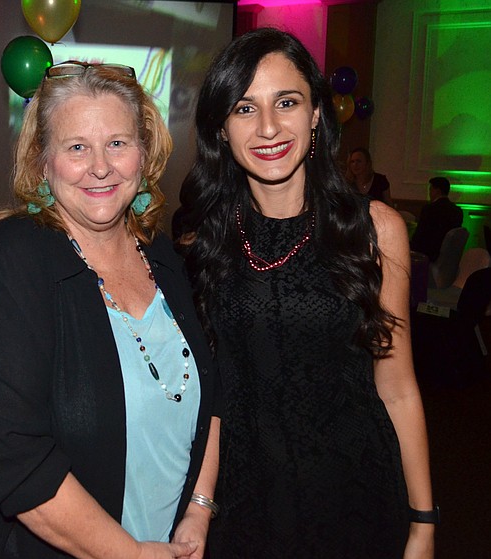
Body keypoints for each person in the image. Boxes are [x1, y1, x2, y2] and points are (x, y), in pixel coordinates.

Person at [176, 28, 435, 557]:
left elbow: (399, 387)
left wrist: (424, 522)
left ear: (316, 113)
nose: (268, 127)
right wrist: (201, 506)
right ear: (221, 129)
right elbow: (216, 393)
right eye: (244, 109)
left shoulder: (373, 229)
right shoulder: (207, 240)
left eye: (286, 102)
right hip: (248, 505)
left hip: (356, 499)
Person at [0, 61, 220, 559]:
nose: (101, 166)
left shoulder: (160, 254)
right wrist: (129, 554)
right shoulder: (12, 260)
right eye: (76, 147)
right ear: (42, 162)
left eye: (117, 143)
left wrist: (200, 510)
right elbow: (10, 458)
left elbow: (212, 392)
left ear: (144, 152)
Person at [410, 176, 463, 262]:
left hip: (429, 253)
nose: (429, 193)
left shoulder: (429, 209)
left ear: (437, 191)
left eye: (431, 189)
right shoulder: (458, 211)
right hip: (449, 256)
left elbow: (420, 235)